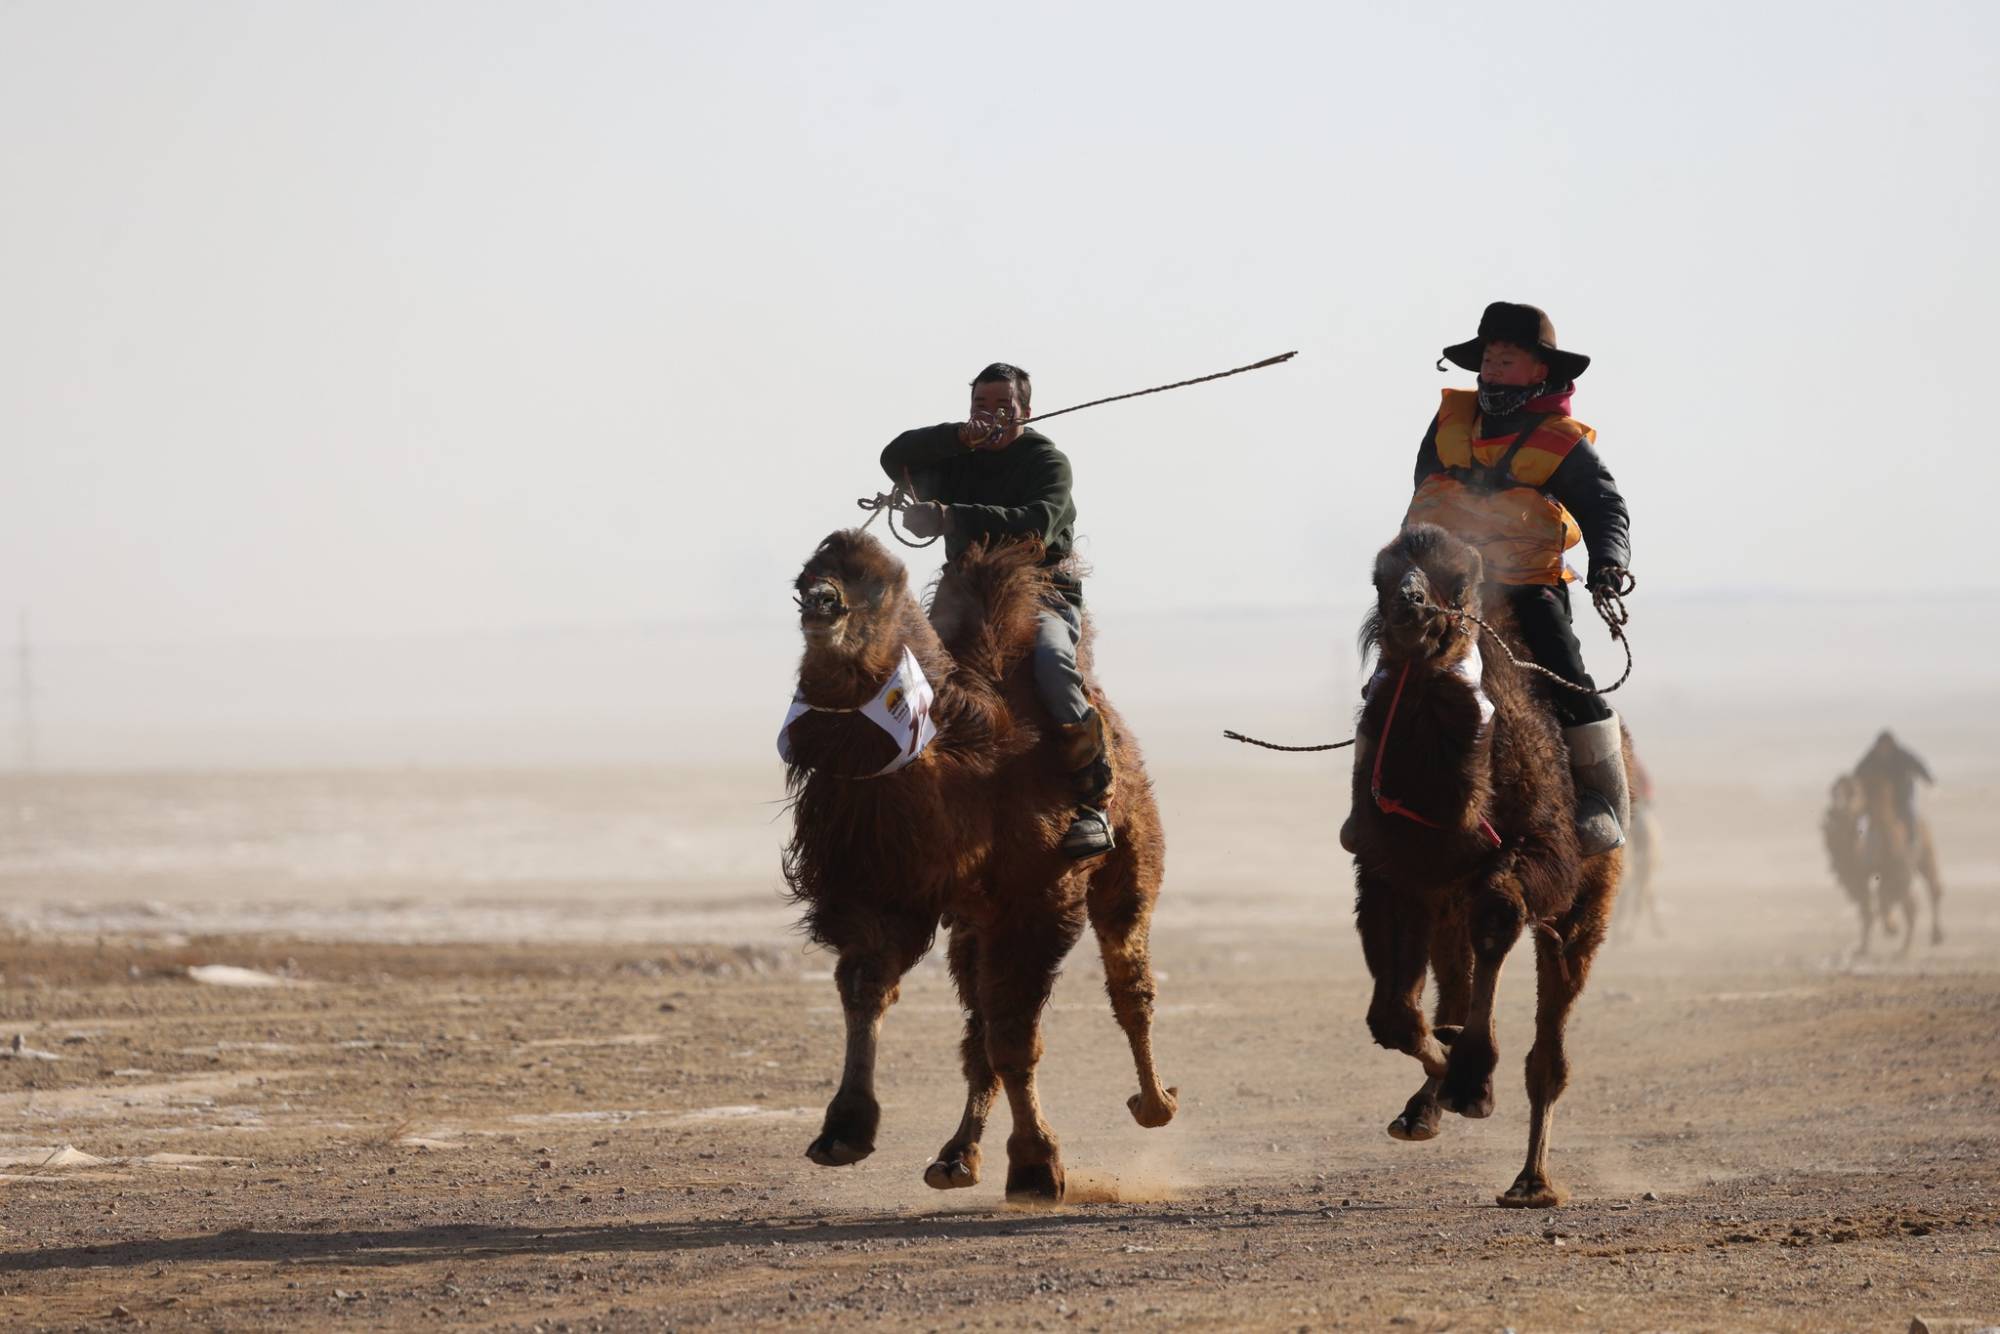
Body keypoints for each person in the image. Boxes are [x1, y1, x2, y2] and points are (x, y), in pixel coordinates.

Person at [1399, 301, 1634, 855]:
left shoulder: (1564, 442)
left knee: (1563, 670)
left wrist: (1607, 563)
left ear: (1540, 372)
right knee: (1390, 672)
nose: (1492, 369)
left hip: (1526, 584)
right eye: (1488, 359)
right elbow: (1421, 493)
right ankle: (1374, 791)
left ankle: (1602, 799)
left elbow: (1605, 508)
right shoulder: (1448, 426)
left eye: (1507, 359)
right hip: (1445, 584)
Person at [880, 363, 1114, 859]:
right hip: (965, 595)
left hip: (1040, 591)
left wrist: (950, 517)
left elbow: (1037, 524)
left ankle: (1092, 796)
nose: (989, 416)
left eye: (1002, 407)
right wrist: (956, 436)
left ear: (1026, 411)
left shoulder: (1047, 463)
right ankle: (888, 787)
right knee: (902, 672)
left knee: (1051, 663)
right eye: (979, 407)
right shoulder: (956, 455)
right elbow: (894, 455)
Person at [1852, 729, 1934, 832]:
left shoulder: (1902, 755)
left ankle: (1912, 842)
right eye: (1881, 746)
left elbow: (1917, 765)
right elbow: (1858, 772)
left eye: (1886, 745)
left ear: (1892, 745)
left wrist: (1928, 778)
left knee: (1908, 816)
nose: (1883, 748)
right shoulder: (1871, 757)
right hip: (1876, 798)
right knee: (1861, 818)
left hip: (1901, 796)